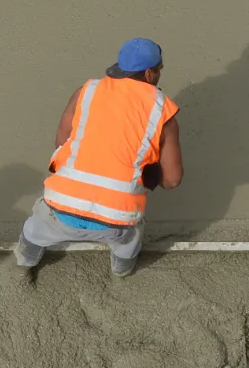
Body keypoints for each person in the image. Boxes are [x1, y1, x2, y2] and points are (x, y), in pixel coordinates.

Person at [15, 38, 184, 278]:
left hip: (59, 208)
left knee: (34, 230)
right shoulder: (165, 113)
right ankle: (121, 271)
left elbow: (61, 142)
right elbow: (172, 180)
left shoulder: (86, 91)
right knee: (129, 240)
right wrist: (149, 171)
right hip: (116, 222)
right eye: (160, 68)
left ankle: (24, 263)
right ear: (149, 73)